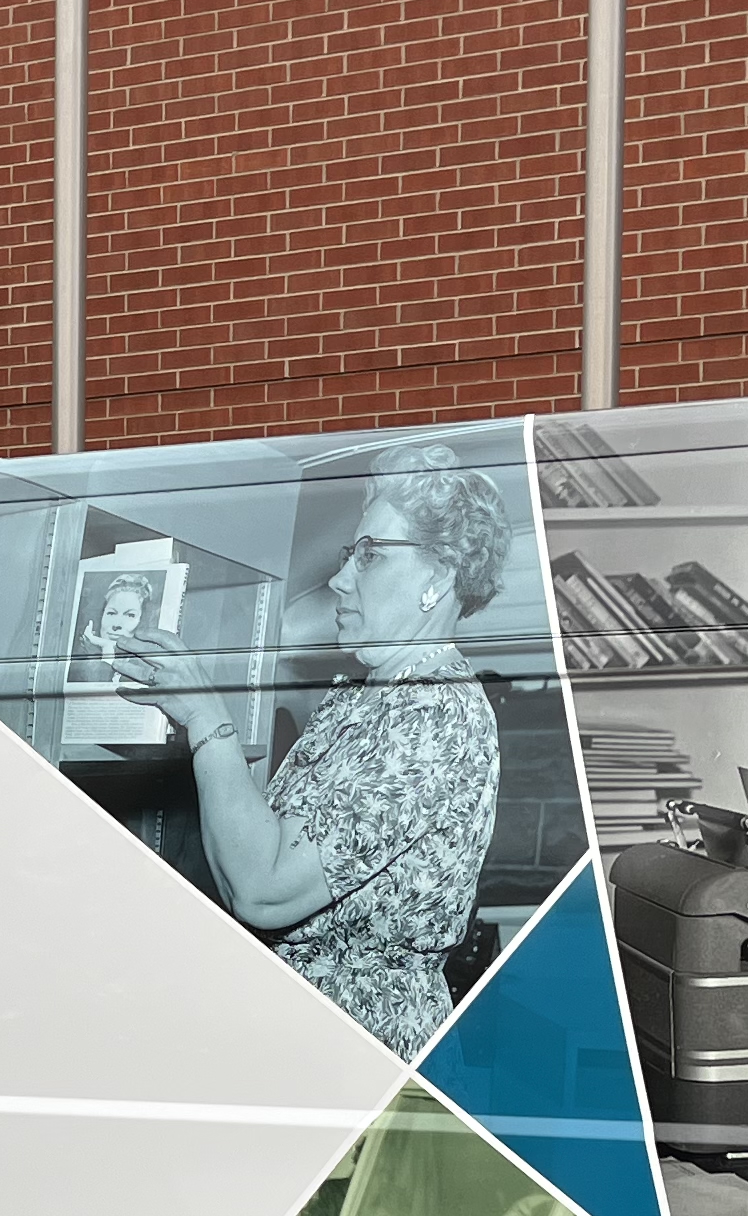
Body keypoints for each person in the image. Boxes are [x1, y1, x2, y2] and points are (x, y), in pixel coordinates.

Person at [118, 441, 511, 1053]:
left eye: (371, 556)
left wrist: (205, 715)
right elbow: (256, 854)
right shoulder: (367, 695)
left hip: (362, 1054)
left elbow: (263, 886)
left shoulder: (433, 715)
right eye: (350, 553)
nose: (339, 578)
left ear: (436, 576)